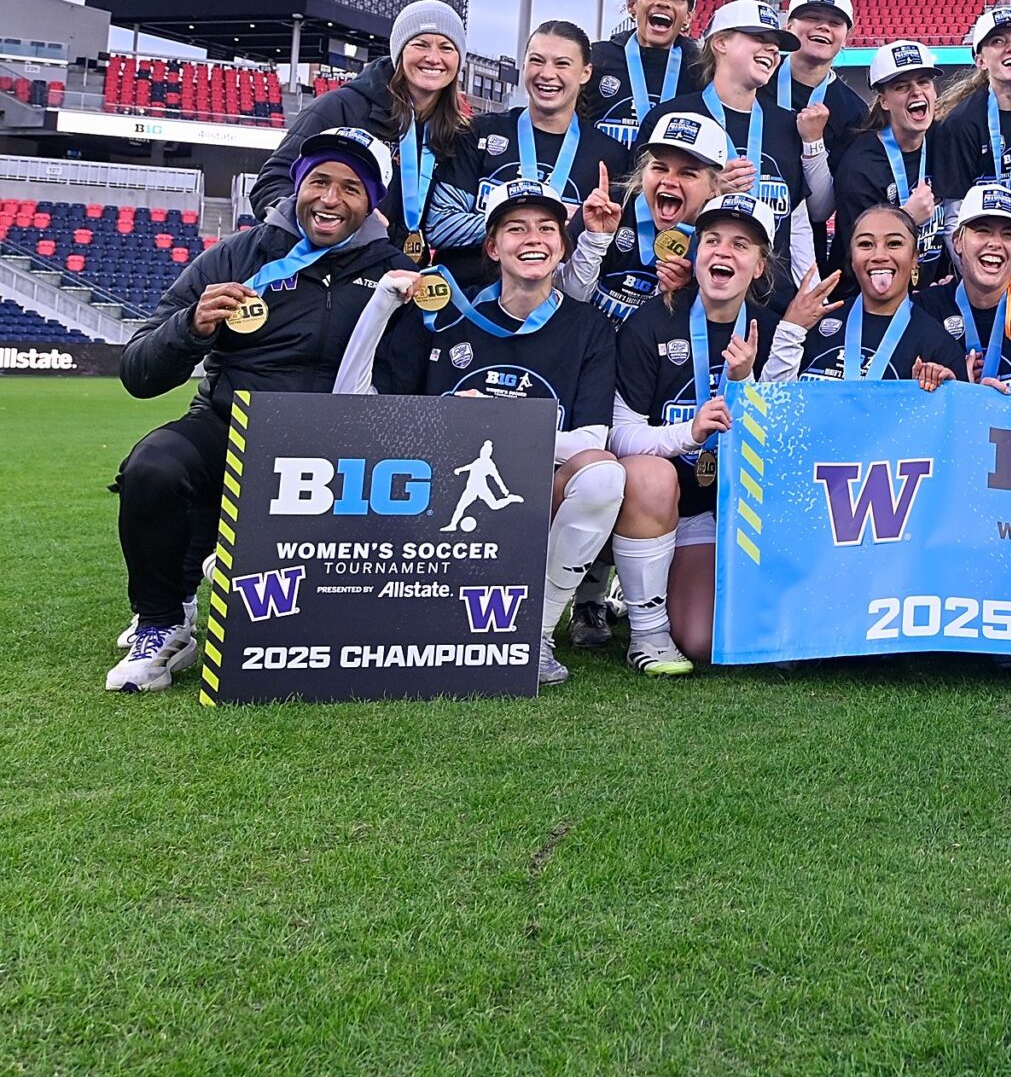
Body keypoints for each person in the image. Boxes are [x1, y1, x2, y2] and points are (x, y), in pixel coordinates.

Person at [106, 127, 410, 692]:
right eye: (318, 181)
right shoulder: (237, 255)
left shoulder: (395, 272)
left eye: (350, 188)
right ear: (297, 186)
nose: (329, 198)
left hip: (342, 448)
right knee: (154, 465)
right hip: (233, 426)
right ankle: (162, 621)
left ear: (371, 203)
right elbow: (138, 372)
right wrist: (192, 326)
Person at [332, 179, 624, 688]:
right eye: (515, 228)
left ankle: (533, 633)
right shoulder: (443, 315)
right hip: (430, 505)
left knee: (603, 478)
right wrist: (381, 304)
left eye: (547, 229)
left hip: (531, 505)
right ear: (492, 246)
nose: (532, 239)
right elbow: (352, 409)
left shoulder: (588, 326)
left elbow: (590, 442)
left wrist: (491, 426)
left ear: (563, 245)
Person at [604, 194, 790, 673]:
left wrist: (745, 384)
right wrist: (687, 434)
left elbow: (781, 449)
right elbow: (619, 436)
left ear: (760, 266)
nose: (723, 252)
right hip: (668, 505)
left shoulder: (774, 332)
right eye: (712, 240)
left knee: (713, 639)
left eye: (741, 244)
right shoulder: (652, 322)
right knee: (649, 474)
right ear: (695, 252)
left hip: (732, 512)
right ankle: (641, 611)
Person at [250, 0, 472, 266]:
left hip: (406, 274)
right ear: (398, 51)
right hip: (336, 273)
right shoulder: (340, 107)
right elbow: (270, 186)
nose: (433, 58)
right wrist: (340, 222)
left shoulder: (457, 130)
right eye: (420, 44)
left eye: (446, 48)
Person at [636, 0, 824, 287]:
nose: (772, 49)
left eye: (775, 44)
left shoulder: (787, 126)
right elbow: (642, 209)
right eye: (759, 38)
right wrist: (707, 192)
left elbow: (797, 222)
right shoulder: (669, 117)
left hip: (770, 302)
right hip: (693, 291)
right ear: (720, 42)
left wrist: (810, 288)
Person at [435, 19, 631, 294]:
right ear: (524, 65)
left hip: (547, 320)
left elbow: (600, 257)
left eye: (562, 64)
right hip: (466, 309)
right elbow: (440, 225)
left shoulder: (609, 157)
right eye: (537, 61)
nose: (547, 74)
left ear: (585, 73)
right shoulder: (478, 132)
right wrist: (539, 223)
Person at [929, 6, 1011, 277]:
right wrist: (975, 277)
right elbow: (952, 214)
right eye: (998, 41)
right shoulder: (960, 123)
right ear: (980, 60)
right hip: (977, 264)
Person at [911, 183, 1011, 389]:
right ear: (957, 242)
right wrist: (955, 390)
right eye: (982, 231)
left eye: (1008, 234)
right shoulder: (927, 308)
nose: (995, 243)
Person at [572, 112, 732, 324]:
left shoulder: (718, 239)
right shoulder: (608, 207)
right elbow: (567, 301)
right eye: (659, 168)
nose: (669, 181)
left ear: (713, 187)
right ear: (642, 172)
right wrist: (594, 242)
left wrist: (679, 294)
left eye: (687, 173)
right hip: (589, 345)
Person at [791, 205, 969, 382]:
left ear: (915, 257)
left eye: (894, 244)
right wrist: (790, 329)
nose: (879, 255)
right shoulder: (813, 327)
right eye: (866, 244)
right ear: (852, 258)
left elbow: (954, 409)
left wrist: (933, 394)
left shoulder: (939, 346)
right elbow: (775, 400)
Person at [832, 42, 943, 285]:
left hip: (929, 295)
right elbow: (861, 253)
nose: (916, 92)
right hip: (868, 298)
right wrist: (906, 218)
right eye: (902, 87)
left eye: (924, 82)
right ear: (883, 101)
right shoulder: (859, 166)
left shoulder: (945, 142)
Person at [583, 0, 700, 146]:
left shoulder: (699, 69)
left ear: (688, 16)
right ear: (632, 6)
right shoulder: (596, 58)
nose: (663, 2)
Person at [768, 0, 867, 164]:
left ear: (846, 38)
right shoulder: (757, 78)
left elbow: (842, 187)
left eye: (835, 22)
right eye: (812, 17)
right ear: (788, 27)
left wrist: (814, 144)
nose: (824, 26)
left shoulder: (854, 112)